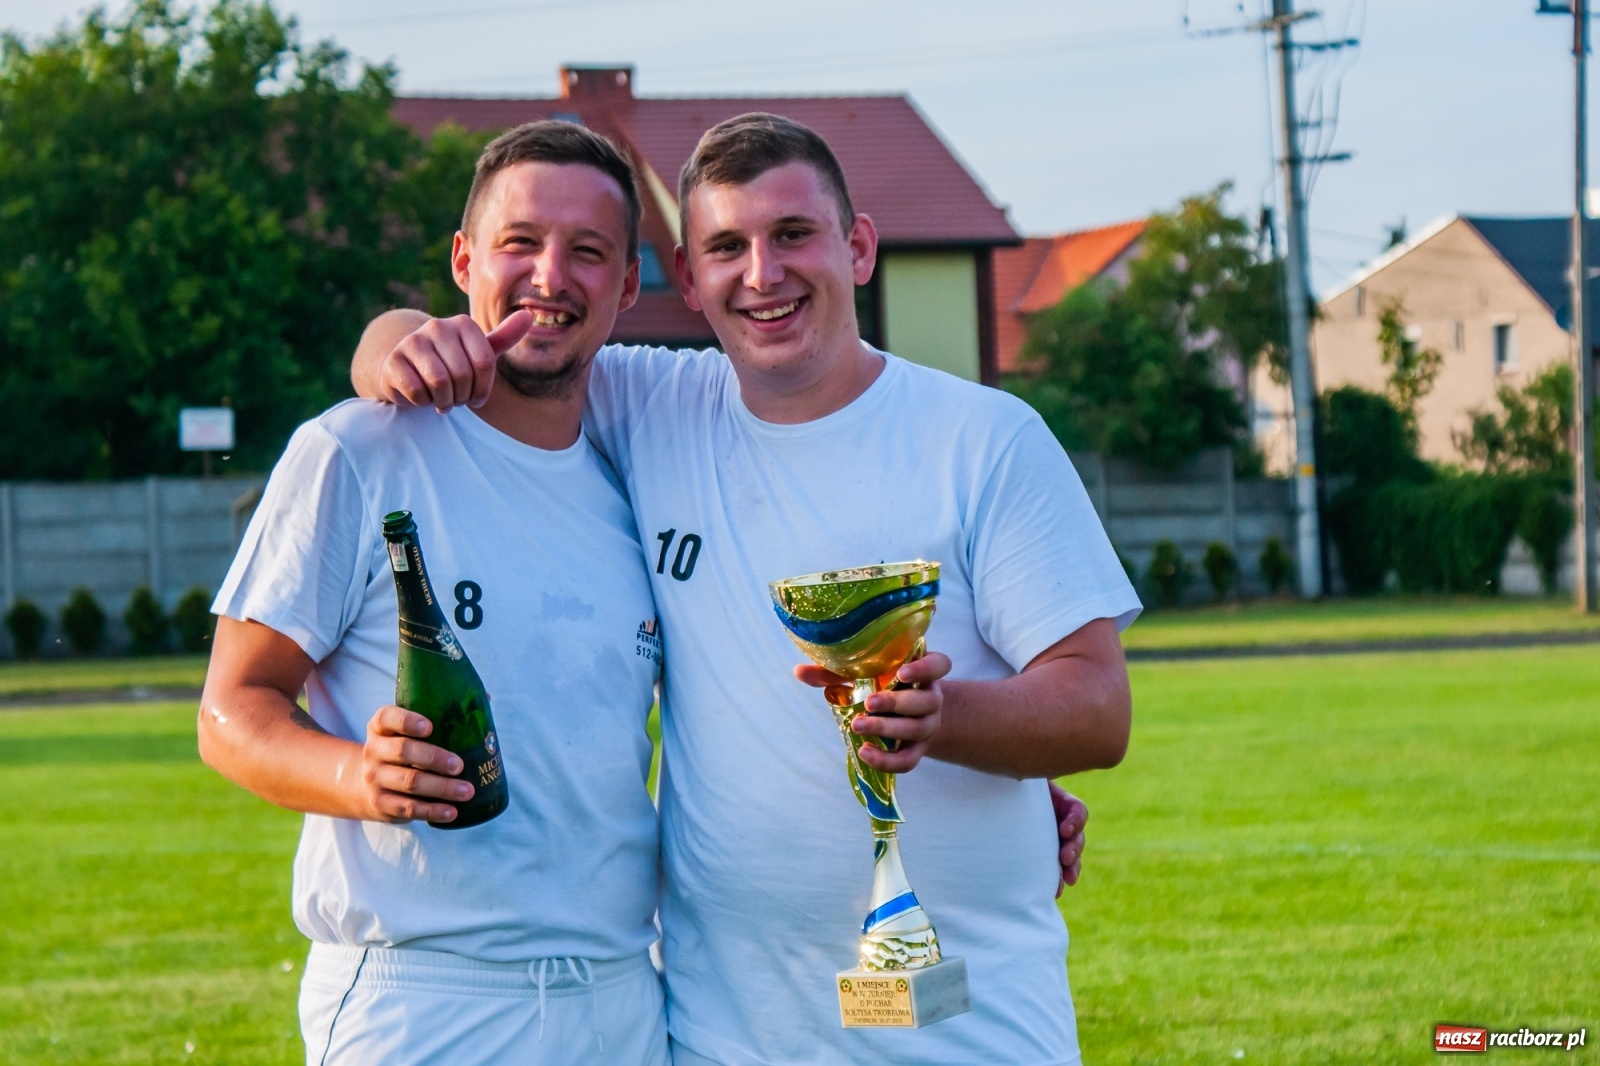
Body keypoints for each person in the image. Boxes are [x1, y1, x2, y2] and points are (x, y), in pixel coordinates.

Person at [355, 113, 1139, 1065]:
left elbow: (1098, 710)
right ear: (687, 280)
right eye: (726, 246)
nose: (762, 274)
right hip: (730, 1034)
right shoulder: (649, 406)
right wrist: (391, 339)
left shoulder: (985, 439)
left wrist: (946, 718)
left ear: (857, 247)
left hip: (966, 1028)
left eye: (793, 236)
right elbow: (484, 355)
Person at [198, 122, 675, 1065]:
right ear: (463, 260)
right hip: (425, 1002)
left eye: (588, 251)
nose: (551, 275)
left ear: (627, 284)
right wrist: (355, 778)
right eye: (519, 242)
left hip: (624, 997)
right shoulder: (358, 449)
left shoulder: (645, 471)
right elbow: (230, 710)